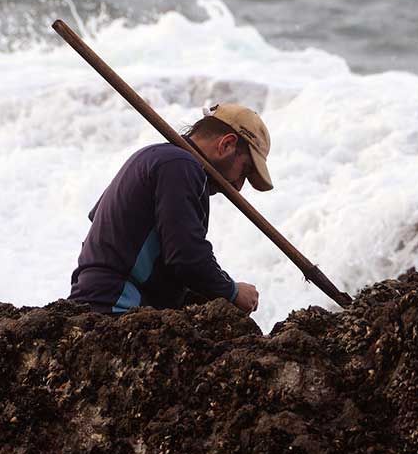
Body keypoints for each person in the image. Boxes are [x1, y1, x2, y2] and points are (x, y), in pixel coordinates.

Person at [69, 103, 272, 315]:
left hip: (91, 302)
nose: (239, 187)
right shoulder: (181, 166)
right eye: (245, 170)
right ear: (226, 145)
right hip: (116, 307)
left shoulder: (154, 157)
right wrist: (232, 291)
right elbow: (186, 256)